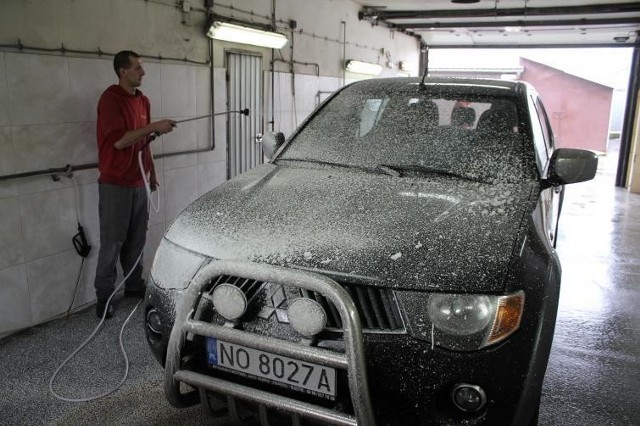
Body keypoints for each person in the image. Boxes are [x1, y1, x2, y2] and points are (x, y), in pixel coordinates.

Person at [94, 50, 176, 318]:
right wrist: (153, 125)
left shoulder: (143, 101)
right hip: (115, 183)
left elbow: (143, 143)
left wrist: (151, 172)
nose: (143, 72)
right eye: (138, 67)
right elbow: (119, 141)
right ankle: (104, 297)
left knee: (137, 239)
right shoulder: (110, 100)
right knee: (113, 241)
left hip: (139, 180)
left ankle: (133, 286)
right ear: (123, 71)